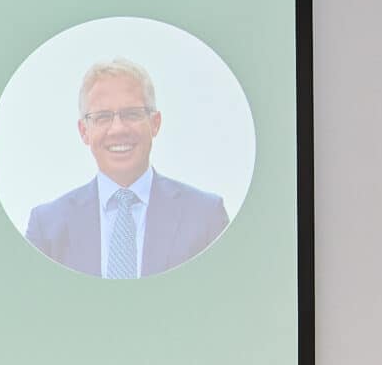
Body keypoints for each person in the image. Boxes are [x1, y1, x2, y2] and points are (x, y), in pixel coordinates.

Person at [24, 57, 231, 277]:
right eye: (103, 117)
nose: (118, 129)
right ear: (84, 131)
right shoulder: (47, 227)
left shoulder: (206, 217)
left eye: (132, 114)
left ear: (155, 123)